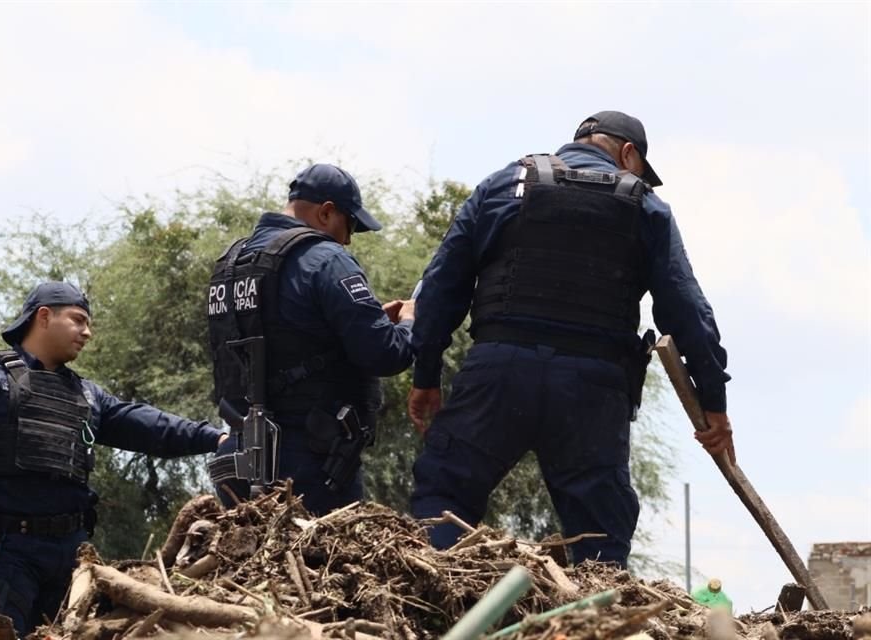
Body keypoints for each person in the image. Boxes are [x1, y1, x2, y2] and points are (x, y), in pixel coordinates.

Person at [407, 111, 733, 567]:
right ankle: (592, 625)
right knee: (598, 537)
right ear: (628, 154)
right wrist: (713, 404)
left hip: (499, 374)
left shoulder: (503, 185)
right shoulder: (646, 207)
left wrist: (425, 376)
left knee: (444, 497)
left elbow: (443, 287)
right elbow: (686, 312)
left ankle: (430, 611)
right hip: (591, 391)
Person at [0, 282, 228, 636]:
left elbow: (149, 426)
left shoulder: (87, 396)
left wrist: (217, 438)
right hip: (5, 552)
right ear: (43, 316)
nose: (87, 332)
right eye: (78, 320)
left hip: (71, 557)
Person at [207, 163, 414, 515]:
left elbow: (280, 337)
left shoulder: (230, 265)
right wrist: (409, 323)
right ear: (326, 212)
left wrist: (362, 318)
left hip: (241, 459)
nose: (347, 239)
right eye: (348, 226)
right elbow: (385, 354)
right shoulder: (325, 259)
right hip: (309, 466)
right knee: (324, 567)